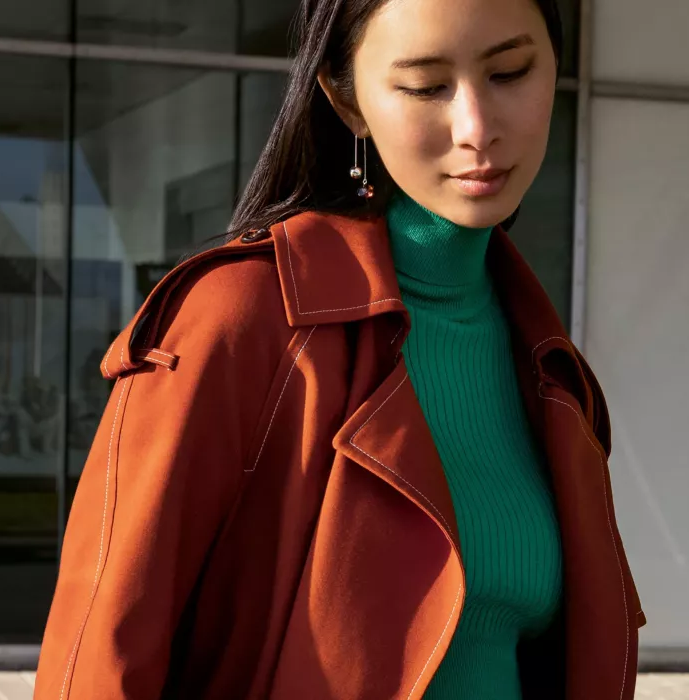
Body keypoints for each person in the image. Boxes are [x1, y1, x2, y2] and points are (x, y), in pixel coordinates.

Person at [34, 0, 642, 697]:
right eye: (425, 86)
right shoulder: (240, 320)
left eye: (510, 72)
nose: (477, 127)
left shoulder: (549, 366)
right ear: (346, 102)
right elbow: (101, 647)